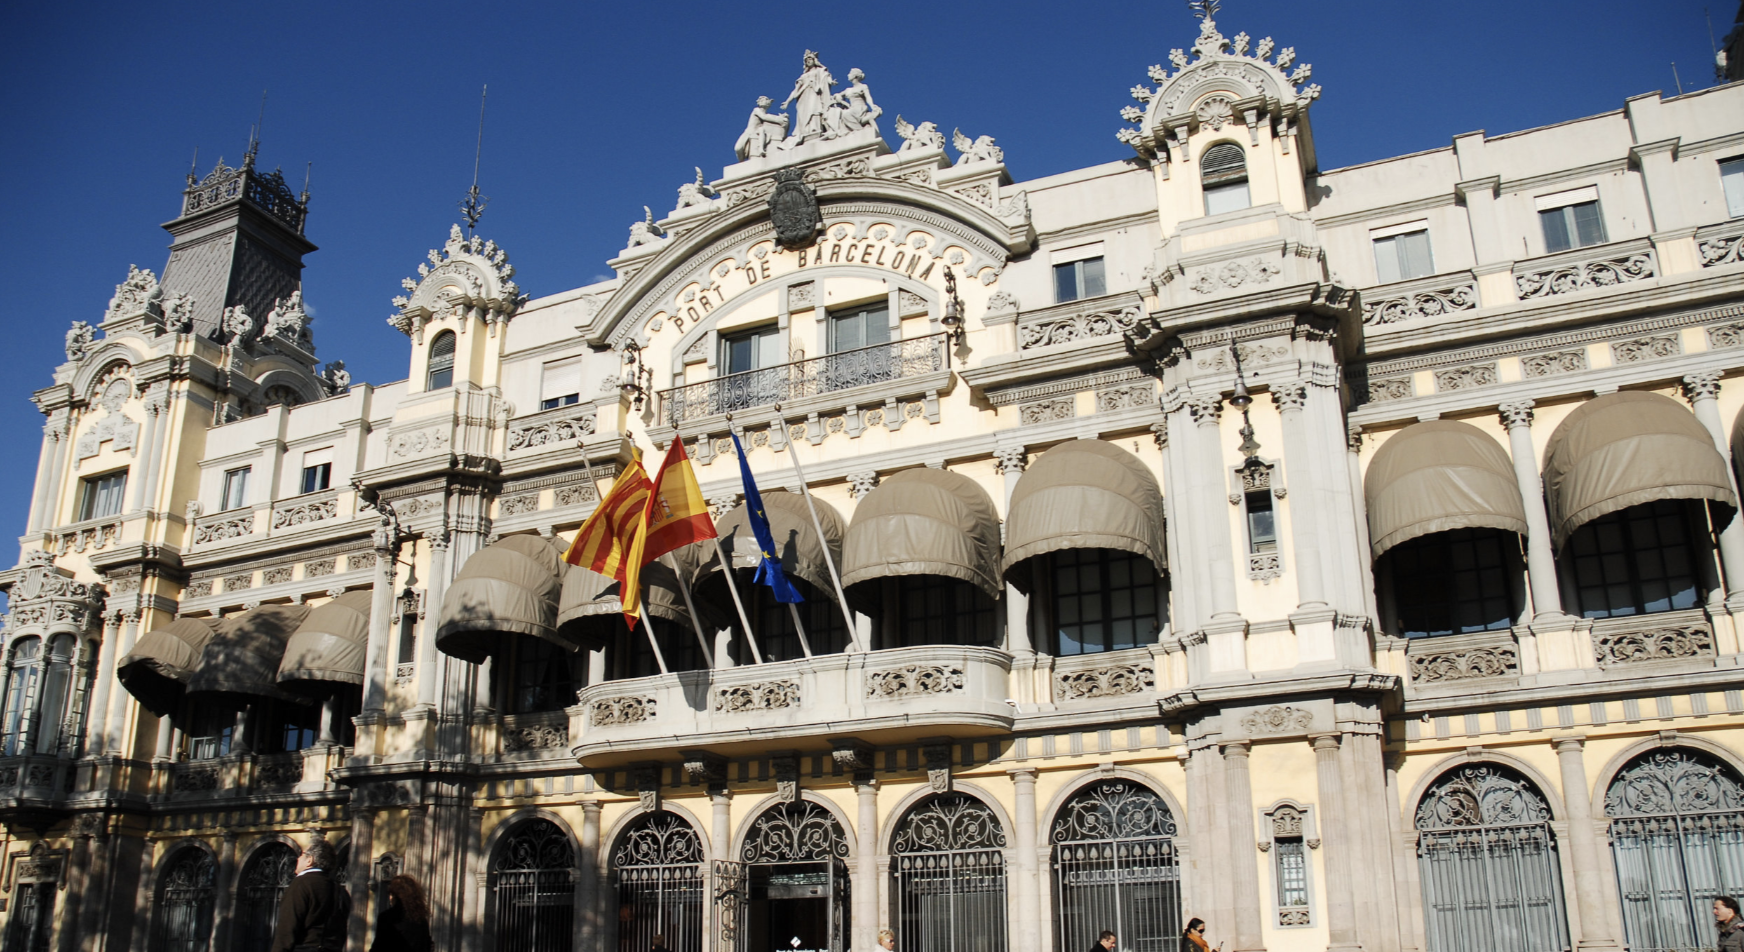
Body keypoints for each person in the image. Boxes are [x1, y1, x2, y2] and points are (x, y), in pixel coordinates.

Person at [271, 840, 350, 952]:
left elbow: (287, 928)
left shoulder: (302, 884)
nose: (297, 859)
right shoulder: (340, 890)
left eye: (302, 854)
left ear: (310, 860)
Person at [369, 875, 431, 952]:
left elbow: (379, 946)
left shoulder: (387, 917)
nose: (390, 898)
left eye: (391, 894)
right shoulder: (421, 919)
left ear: (396, 896)